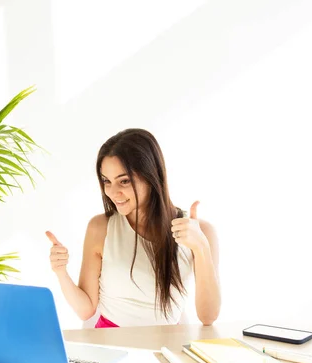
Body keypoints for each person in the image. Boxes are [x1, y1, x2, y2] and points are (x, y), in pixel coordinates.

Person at [46, 128, 220, 328]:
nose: (112, 192)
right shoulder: (100, 227)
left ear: (151, 176)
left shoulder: (200, 231)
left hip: (165, 346)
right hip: (111, 344)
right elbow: (86, 310)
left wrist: (201, 247)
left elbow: (208, 316)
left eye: (124, 181)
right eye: (106, 181)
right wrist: (61, 272)